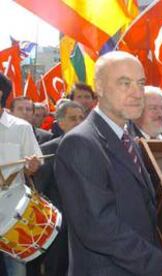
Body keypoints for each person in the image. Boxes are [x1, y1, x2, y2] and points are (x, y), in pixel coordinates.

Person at [54, 51, 162, 276]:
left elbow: (144, 212)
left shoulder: (127, 138)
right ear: (99, 87)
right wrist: (160, 264)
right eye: (125, 83)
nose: (137, 93)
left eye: (140, 84)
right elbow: (98, 227)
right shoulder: (81, 143)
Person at [33, 101, 85, 276]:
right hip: (59, 232)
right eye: (73, 119)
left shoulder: (96, 148)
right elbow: (39, 191)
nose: (78, 123)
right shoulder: (48, 150)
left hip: (88, 228)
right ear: (60, 122)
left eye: (81, 118)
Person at [0, 73, 41, 276]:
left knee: (16, 270)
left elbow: (34, 165)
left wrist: (31, 166)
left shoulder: (21, 128)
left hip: (13, 215)